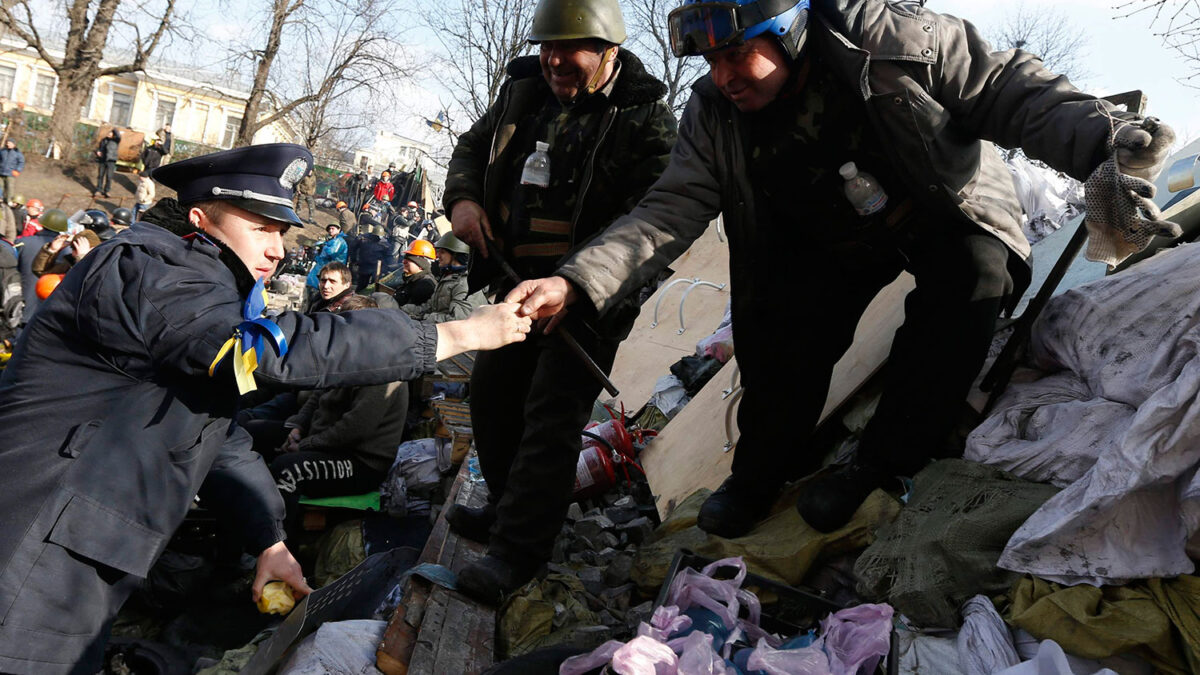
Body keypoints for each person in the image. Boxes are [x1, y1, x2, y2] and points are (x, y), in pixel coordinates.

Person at [507, 0, 1178, 540]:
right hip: (824, 238)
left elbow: (1008, 89)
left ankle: (878, 466)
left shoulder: (891, 40)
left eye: (737, 53)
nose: (723, 76)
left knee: (973, 281)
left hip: (938, 209)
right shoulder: (713, 114)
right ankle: (759, 476)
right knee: (777, 338)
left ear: (788, 32)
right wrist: (576, 280)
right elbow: (667, 209)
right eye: (711, 61)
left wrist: (1102, 139)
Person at [0, 142, 532, 673]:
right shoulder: (152, 269)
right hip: (36, 546)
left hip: (78, 543)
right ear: (199, 220)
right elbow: (275, 352)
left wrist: (268, 540)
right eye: (261, 229)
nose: (278, 250)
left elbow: (213, 437)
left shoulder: (193, 287)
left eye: (282, 232)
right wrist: (452, 336)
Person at [440, 0, 677, 604]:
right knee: (493, 398)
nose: (553, 61)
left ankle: (518, 554)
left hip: (592, 298)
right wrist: (463, 199)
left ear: (608, 52)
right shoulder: (523, 92)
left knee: (551, 418)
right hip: (516, 283)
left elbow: (651, 221)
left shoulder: (646, 116)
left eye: (569, 50)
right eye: (546, 47)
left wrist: (581, 287)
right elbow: (471, 148)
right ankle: (505, 511)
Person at [271, 294, 410, 535]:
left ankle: (278, 547)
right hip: (325, 442)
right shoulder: (350, 355)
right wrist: (298, 427)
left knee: (287, 470)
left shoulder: (384, 370)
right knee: (256, 432)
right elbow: (318, 396)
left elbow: (355, 428)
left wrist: (304, 444)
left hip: (361, 463)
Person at [401, 233, 486, 324]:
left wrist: (424, 318)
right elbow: (430, 307)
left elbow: (458, 321)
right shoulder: (448, 277)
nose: (437, 255)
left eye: (442, 252)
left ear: (455, 254)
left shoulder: (465, 283)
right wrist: (403, 310)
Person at [374, 239, 437, 308]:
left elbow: (410, 311)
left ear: (421, 265)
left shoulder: (424, 285)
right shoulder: (412, 279)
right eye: (405, 259)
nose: (403, 262)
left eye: (409, 260)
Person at [305, 223, 348, 308]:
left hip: (334, 268)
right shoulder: (332, 240)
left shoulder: (339, 241)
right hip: (325, 267)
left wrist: (324, 246)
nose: (331, 230)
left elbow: (332, 252)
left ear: (339, 229)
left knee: (325, 289)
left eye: (333, 228)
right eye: (329, 229)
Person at [94, 128, 121, 197]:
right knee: (100, 176)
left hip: (111, 161)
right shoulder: (103, 140)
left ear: (113, 134)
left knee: (109, 177)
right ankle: (98, 190)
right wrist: (98, 152)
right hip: (102, 160)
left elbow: (118, 135)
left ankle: (107, 191)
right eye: (108, 133)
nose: (109, 134)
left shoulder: (116, 140)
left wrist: (114, 129)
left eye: (110, 133)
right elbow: (99, 148)